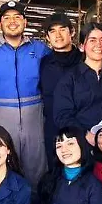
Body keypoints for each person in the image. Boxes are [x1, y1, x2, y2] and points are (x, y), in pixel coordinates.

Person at [0, 0, 50, 185]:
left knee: (36, 164)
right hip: (0, 111)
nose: (12, 21)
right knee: (1, 162)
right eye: (7, 17)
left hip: (34, 113)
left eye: (17, 17)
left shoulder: (39, 49)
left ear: (25, 22)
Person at [53, 22, 102, 135]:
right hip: (82, 141)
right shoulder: (69, 79)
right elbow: (62, 116)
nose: (98, 45)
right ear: (81, 46)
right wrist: (85, 134)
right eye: (92, 40)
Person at [38, 12, 81, 148]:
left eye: (62, 29)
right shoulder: (43, 63)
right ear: (47, 36)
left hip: (80, 128)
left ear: (72, 32)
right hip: (52, 129)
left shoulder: (84, 60)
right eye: (52, 31)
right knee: (54, 167)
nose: (58, 35)